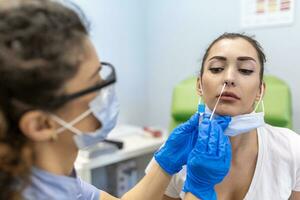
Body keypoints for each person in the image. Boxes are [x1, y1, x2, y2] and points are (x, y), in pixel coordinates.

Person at [0, 0, 232, 199]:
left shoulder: (54, 179)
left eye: (103, 75)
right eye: (94, 85)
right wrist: (199, 188)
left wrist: (165, 163)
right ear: (41, 125)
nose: (106, 94)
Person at [148, 33, 300, 200]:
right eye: (217, 69)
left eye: (245, 70)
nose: (229, 78)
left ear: (260, 91)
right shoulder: (175, 152)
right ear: (199, 85)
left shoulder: (293, 149)